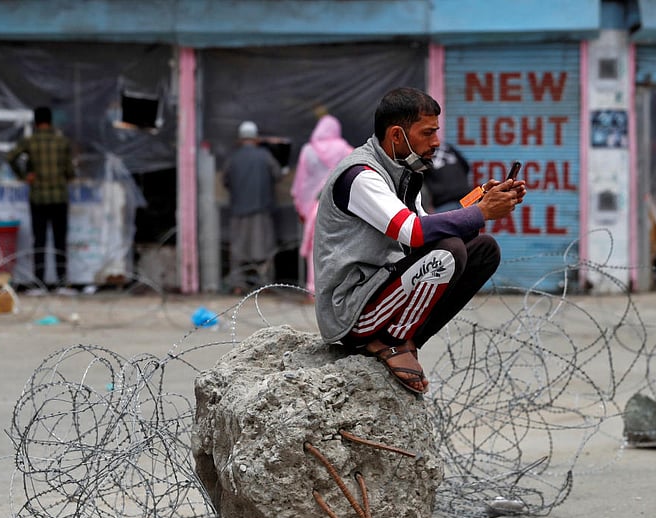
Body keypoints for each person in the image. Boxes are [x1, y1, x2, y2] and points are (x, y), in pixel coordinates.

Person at [312, 87, 526, 394]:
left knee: (483, 251)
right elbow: (412, 232)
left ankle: (407, 339)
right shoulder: (361, 175)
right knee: (447, 253)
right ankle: (392, 342)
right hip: (351, 313)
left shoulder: (400, 172)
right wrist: (481, 212)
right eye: (427, 133)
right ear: (397, 135)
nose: (436, 142)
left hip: (381, 295)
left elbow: (424, 232)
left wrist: (480, 200)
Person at [7, 106, 76, 295]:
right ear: (51, 121)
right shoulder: (62, 142)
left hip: (38, 197)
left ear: (36, 122)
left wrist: (24, 175)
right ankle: (62, 283)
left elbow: (11, 157)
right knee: (60, 240)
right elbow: (70, 172)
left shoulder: (30, 141)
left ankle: (39, 284)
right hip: (59, 197)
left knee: (40, 240)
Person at [290, 114, 353, 297]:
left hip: (315, 207)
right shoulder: (345, 149)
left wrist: (301, 206)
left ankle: (314, 290)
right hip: (339, 206)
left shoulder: (308, 151)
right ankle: (340, 289)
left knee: (315, 249)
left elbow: (301, 183)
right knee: (341, 246)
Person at [222, 120, 282, 293]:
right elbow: (277, 174)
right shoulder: (264, 156)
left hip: (238, 211)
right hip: (261, 211)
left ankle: (238, 286)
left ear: (240, 139)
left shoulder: (233, 158)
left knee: (238, 250)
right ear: (255, 139)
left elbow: (225, 180)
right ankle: (265, 284)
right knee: (264, 249)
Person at [422, 142, 471, 213]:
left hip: (444, 202)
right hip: (467, 198)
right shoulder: (447, 146)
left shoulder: (421, 154)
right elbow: (466, 166)